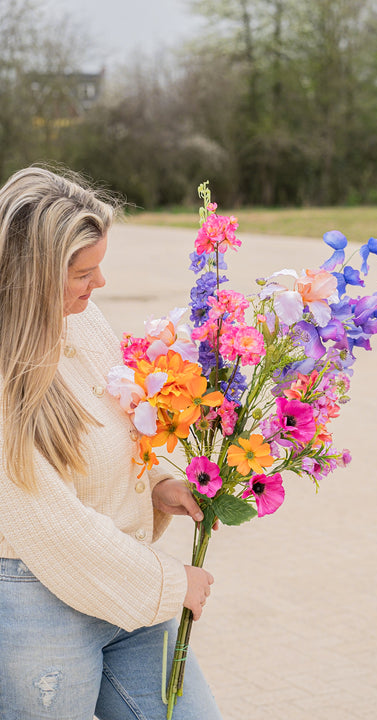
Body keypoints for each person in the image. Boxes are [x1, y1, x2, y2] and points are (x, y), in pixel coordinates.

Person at [0, 166, 222, 719]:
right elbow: (50, 523)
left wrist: (160, 485)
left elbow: (121, 421)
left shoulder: (83, 319)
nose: (100, 285)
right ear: (33, 276)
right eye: (83, 272)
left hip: (122, 583)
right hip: (39, 603)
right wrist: (172, 584)